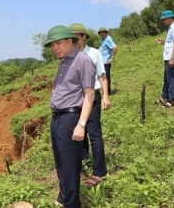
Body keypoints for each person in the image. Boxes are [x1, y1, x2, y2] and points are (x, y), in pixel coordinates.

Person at [44, 25, 96, 208]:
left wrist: (81, 124)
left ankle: (72, 204)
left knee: (70, 166)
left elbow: (89, 95)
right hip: (57, 118)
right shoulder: (64, 61)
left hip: (71, 118)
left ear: (69, 40)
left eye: (58, 43)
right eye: (52, 45)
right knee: (60, 163)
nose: (55, 48)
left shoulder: (83, 61)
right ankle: (64, 196)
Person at [69, 23, 110, 187]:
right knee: (79, 131)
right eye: (71, 38)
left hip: (92, 97)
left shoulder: (94, 53)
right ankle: (83, 161)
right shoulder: (70, 55)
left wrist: (106, 96)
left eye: (77, 37)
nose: (74, 41)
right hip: (76, 100)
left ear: (84, 37)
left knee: (94, 133)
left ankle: (100, 171)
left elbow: (102, 75)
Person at [155, 10, 174, 108]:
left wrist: (172, 58)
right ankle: (164, 96)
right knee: (167, 78)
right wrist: (162, 42)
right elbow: (171, 43)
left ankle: (172, 99)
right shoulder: (172, 27)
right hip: (169, 57)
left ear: (169, 18)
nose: (163, 22)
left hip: (172, 57)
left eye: (164, 20)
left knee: (171, 78)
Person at [98, 27, 117, 94]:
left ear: (106, 32)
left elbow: (114, 47)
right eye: (100, 33)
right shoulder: (103, 40)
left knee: (106, 77)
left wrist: (112, 58)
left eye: (103, 32)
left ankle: (108, 92)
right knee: (103, 76)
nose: (101, 34)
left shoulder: (108, 39)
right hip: (102, 62)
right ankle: (105, 90)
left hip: (106, 62)